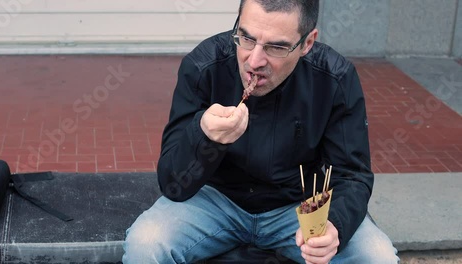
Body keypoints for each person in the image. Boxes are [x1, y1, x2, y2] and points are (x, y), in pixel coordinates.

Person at [123, 0, 399, 263]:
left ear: (307, 43)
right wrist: (203, 136)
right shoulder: (203, 66)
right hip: (215, 200)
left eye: (276, 48)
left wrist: (334, 225)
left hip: (299, 207)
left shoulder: (334, 78)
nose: (254, 61)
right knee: (146, 244)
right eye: (246, 38)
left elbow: (351, 174)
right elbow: (172, 184)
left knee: (376, 256)